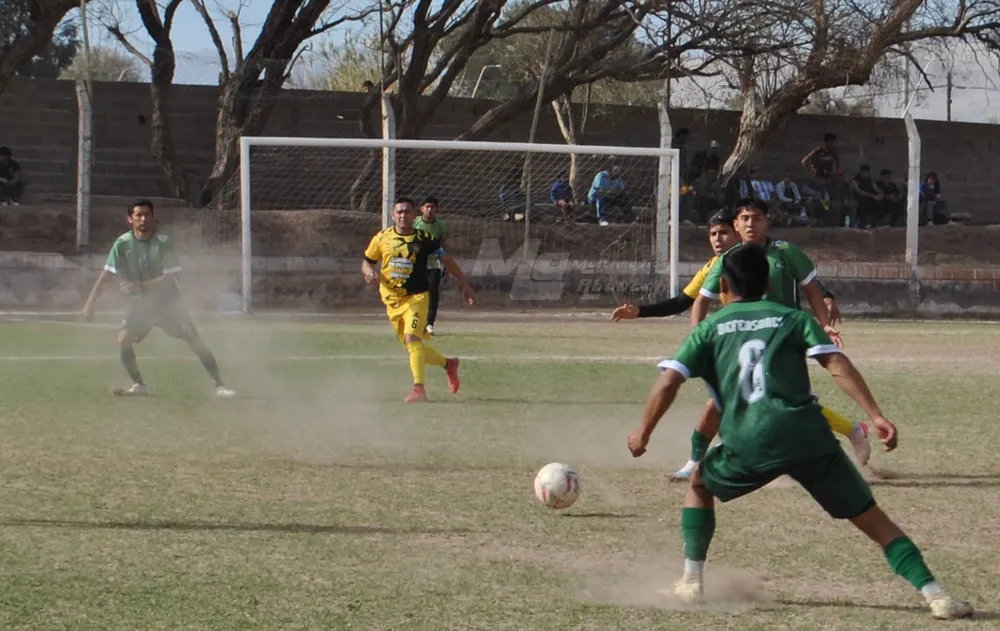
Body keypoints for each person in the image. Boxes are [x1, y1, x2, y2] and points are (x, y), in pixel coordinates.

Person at [626, 243, 973, 620]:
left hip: (747, 439)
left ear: (723, 284)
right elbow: (835, 363)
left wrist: (642, 432)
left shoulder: (709, 327)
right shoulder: (792, 317)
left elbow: (668, 383)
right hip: (807, 436)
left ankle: (692, 582)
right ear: (767, 281)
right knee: (873, 520)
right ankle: (936, 595)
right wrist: (875, 415)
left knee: (698, 483)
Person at [612, 206, 861, 479]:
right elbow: (685, 301)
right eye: (713, 234)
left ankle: (710, 459)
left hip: (776, 339)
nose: (718, 239)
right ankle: (702, 460)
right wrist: (642, 311)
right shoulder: (715, 265)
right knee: (751, 401)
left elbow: (804, 279)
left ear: (737, 232)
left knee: (766, 402)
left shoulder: (767, 256)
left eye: (724, 233)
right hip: (736, 339)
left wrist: (826, 296)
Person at [684, 199, 869, 477]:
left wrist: (825, 325)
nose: (750, 223)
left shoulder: (786, 252)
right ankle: (697, 462)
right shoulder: (726, 260)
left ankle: (701, 462)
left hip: (783, 342)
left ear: (766, 222)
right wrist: (699, 336)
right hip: (740, 340)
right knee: (745, 400)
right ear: (736, 224)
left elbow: (811, 289)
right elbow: (701, 301)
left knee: (777, 403)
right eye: (744, 218)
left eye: (756, 218)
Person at [81, 199, 235, 398]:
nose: (143, 219)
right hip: (139, 305)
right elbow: (106, 275)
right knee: (123, 340)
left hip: (168, 304)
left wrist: (141, 286)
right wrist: (90, 303)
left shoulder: (163, 242)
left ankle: (219, 386)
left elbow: (171, 276)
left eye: (147, 215)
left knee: (195, 342)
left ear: (153, 218)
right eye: (139, 215)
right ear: (130, 219)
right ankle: (139, 385)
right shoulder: (122, 244)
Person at [363, 197, 476, 402]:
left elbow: (447, 260)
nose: (403, 215)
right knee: (413, 348)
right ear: (392, 215)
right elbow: (367, 262)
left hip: (417, 297)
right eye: (399, 212)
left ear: (414, 215)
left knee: (412, 339)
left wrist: (465, 284)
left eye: (407, 212)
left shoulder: (424, 238)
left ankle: (419, 389)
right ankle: (448, 364)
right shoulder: (381, 238)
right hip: (392, 301)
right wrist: (369, 272)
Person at [413, 196, 447, 335]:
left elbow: (444, 244)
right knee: (416, 293)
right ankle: (415, 322)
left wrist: (446, 264)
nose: (429, 209)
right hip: (418, 265)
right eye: (427, 207)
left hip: (434, 264)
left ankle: (430, 324)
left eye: (432, 207)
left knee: (433, 293)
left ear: (436, 209)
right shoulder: (415, 223)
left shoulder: (440, 225)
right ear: (421, 209)